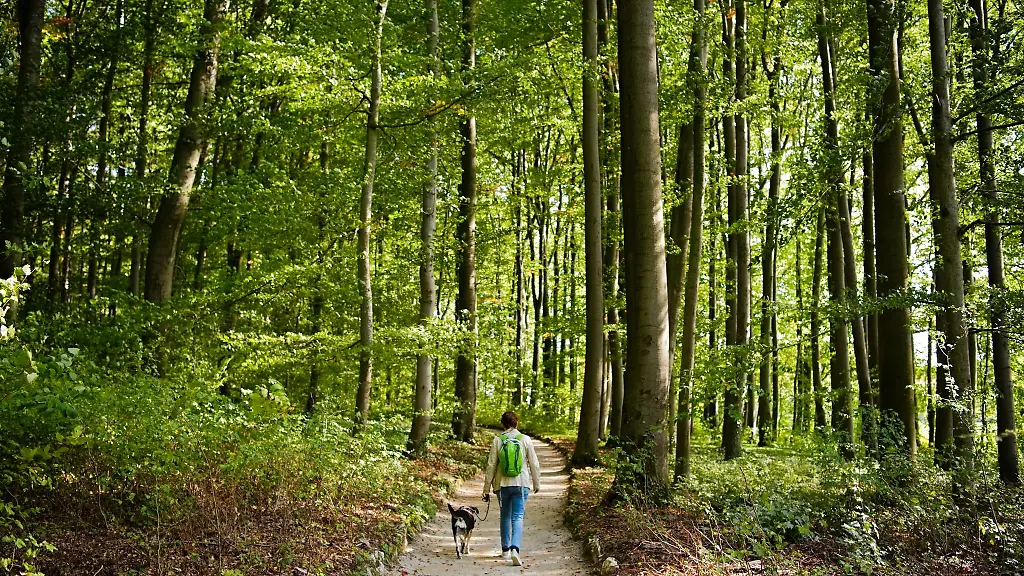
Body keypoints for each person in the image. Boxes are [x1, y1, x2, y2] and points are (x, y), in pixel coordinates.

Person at [483, 410, 542, 566]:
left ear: (503, 424)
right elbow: (534, 463)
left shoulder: (498, 440)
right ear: (517, 423)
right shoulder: (525, 439)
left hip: (502, 485)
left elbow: (491, 465)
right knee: (518, 516)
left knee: (505, 516)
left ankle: (505, 549)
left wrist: (486, 489)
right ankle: (515, 549)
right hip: (521, 483)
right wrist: (536, 483)